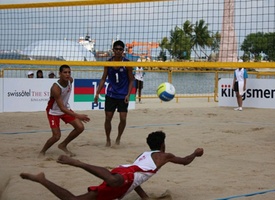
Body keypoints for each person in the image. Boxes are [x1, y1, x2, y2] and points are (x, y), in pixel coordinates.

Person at [20, 131, 204, 200]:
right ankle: (77, 163)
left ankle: (42, 180)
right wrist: (195, 154)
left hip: (125, 175)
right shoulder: (165, 155)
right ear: (162, 144)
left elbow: (139, 179)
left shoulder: (144, 154)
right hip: (124, 176)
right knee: (113, 180)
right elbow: (185, 161)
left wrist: (145, 197)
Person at [39, 65, 90, 157]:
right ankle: (42, 151)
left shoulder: (70, 80)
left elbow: (64, 108)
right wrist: (78, 115)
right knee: (56, 136)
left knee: (80, 127)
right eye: (65, 72)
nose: (67, 74)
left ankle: (63, 145)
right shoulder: (56, 88)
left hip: (65, 109)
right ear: (59, 74)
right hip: (54, 111)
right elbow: (61, 108)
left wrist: (76, 116)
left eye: (69, 72)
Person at [94, 40, 134, 147]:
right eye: (116, 49)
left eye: (120, 49)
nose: (118, 51)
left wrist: (128, 94)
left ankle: (118, 137)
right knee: (108, 118)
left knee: (123, 119)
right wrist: (97, 93)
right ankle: (108, 139)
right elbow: (103, 79)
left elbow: (131, 80)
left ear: (123, 51)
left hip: (123, 95)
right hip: (111, 94)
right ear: (113, 50)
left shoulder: (127, 63)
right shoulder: (108, 62)